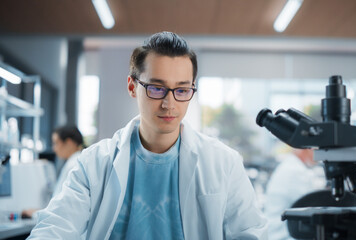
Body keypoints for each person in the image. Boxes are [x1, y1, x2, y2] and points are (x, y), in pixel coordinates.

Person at [28, 32, 267, 239]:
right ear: (133, 87)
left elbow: (250, 233)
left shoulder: (224, 162)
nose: (169, 103)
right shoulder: (94, 163)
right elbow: (55, 228)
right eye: (157, 88)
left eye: (182, 90)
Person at [21, 125, 84, 218]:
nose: (54, 148)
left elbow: (60, 210)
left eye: (56, 143)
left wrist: (35, 214)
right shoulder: (79, 161)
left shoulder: (73, 166)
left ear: (69, 143)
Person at [264, 148, 326, 240]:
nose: (318, 156)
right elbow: (311, 206)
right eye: (315, 150)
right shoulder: (295, 170)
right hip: (283, 235)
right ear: (304, 149)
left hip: (279, 231)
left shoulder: (292, 166)